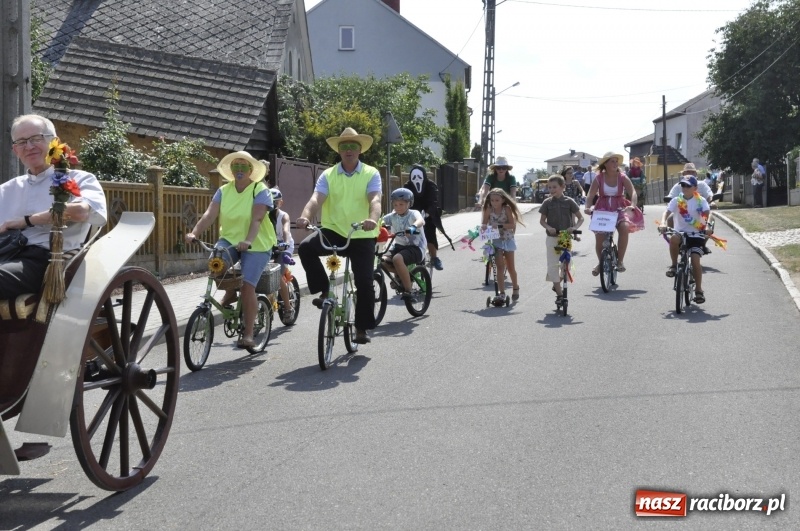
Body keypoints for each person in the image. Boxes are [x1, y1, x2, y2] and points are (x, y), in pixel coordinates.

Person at [0, 114, 107, 300]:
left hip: (48, 261)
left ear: (54, 142)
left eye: (36, 138)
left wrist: (26, 221)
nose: (29, 146)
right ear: (15, 150)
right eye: (22, 142)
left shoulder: (79, 179)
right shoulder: (6, 189)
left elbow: (81, 211)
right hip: (6, 254)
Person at [296, 127, 381, 344]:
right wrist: (305, 216)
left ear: (360, 150)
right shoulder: (328, 175)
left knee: (364, 282)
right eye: (344, 146)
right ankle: (325, 290)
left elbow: (375, 200)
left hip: (361, 233)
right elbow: (316, 199)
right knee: (305, 248)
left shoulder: (371, 173)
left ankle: (361, 328)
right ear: (339, 150)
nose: (348, 150)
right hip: (334, 231)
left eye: (353, 146)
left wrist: (372, 218)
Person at [186, 151, 276, 349]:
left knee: (248, 286)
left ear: (251, 170)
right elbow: (210, 215)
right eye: (236, 166)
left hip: (257, 244)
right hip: (229, 240)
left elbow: (257, 219)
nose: (239, 169)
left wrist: (248, 240)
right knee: (216, 265)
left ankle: (248, 334)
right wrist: (194, 233)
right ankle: (230, 293)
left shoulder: (260, 190)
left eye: (244, 166)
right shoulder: (223, 190)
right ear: (231, 170)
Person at [584, 152, 638, 275]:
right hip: (602, 208)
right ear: (605, 164)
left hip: (619, 207)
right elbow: (590, 195)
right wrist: (587, 207)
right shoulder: (599, 178)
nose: (615, 164)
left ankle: (620, 261)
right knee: (599, 237)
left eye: (616, 161)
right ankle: (601, 262)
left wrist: (632, 205)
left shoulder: (622, 177)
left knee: (624, 227)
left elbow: (633, 192)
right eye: (612, 161)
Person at [659, 174, 710, 304]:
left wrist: (707, 226)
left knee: (695, 260)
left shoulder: (701, 201)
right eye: (683, 185)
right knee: (674, 239)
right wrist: (663, 222)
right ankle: (674, 266)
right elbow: (666, 212)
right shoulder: (676, 200)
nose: (685, 188)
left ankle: (699, 290)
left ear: (695, 188)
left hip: (696, 234)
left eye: (688, 185)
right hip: (680, 233)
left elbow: (707, 215)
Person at [539, 175, 584, 303]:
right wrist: (549, 227)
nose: (551, 190)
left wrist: (574, 228)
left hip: (565, 237)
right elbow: (542, 221)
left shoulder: (569, 201)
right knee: (553, 265)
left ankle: (557, 283)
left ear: (563, 187)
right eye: (549, 187)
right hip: (552, 238)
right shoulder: (547, 202)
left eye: (554, 187)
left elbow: (581, 218)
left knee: (566, 265)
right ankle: (559, 295)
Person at [481, 188, 525, 303]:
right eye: (492, 200)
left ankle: (515, 287)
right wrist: (483, 226)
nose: (494, 202)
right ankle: (502, 293)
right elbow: (484, 223)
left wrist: (499, 225)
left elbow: (512, 225)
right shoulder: (488, 209)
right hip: (496, 240)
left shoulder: (507, 209)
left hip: (508, 239)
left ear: (503, 200)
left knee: (510, 267)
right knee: (499, 267)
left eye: (497, 200)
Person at [381, 188, 426, 300]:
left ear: (409, 203)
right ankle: (403, 275)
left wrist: (413, 227)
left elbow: (420, 221)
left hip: (416, 248)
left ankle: (409, 290)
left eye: (401, 204)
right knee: (381, 261)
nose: (398, 207)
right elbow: (380, 221)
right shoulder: (393, 216)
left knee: (397, 259)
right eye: (395, 205)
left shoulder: (413, 213)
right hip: (399, 247)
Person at [404, 164, 447, 270]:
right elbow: (404, 200)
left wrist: (427, 213)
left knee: (430, 234)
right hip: (413, 214)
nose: (417, 179)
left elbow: (433, 201)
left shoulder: (431, 186)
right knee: (408, 235)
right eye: (414, 177)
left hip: (428, 214)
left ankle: (434, 257)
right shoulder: (407, 186)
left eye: (419, 177)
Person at [269, 187, 295, 320]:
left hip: (284, 248)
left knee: (277, 277)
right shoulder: (262, 215)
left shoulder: (283, 216)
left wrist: (285, 242)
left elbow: (285, 230)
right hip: (269, 247)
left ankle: (288, 308)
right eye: (270, 201)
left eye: (276, 202)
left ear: (281, 203)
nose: (273, 205)